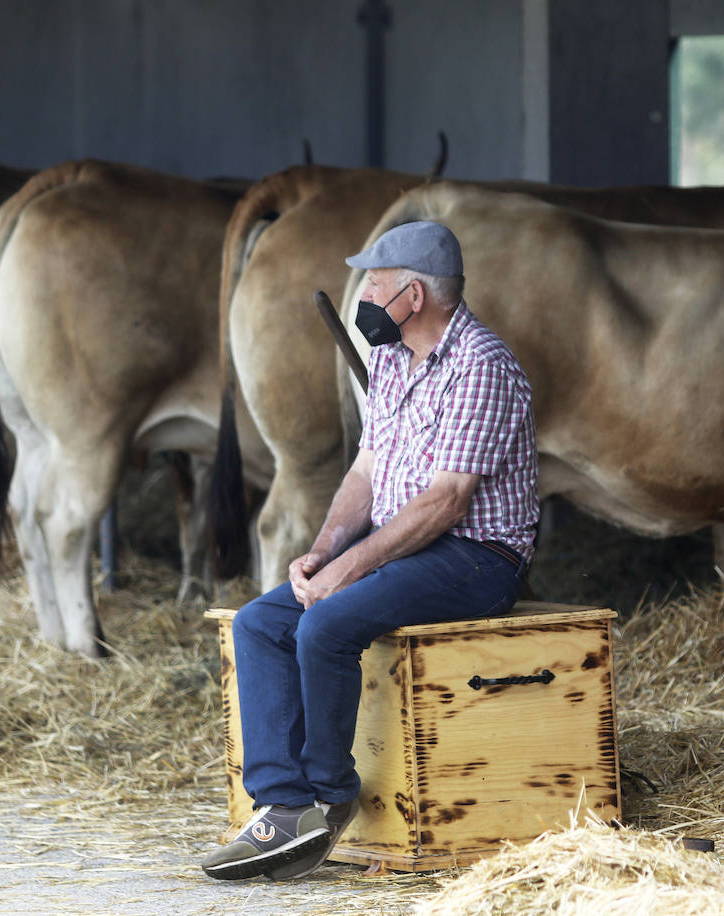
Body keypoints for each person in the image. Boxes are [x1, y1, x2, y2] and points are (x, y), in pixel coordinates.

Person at [201, 220, 540, 881]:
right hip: (404, 551)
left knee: (326, 624)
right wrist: (323, 551)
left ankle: (331, 795)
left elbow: (446, 503)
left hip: (477, 558)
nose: (366, 295)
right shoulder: (388, 358)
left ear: (413, 296)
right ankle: (282, 805)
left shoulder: (483, 367)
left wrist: (347, 571)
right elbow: (367, 470)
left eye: (376, 283)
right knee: (262, 621)